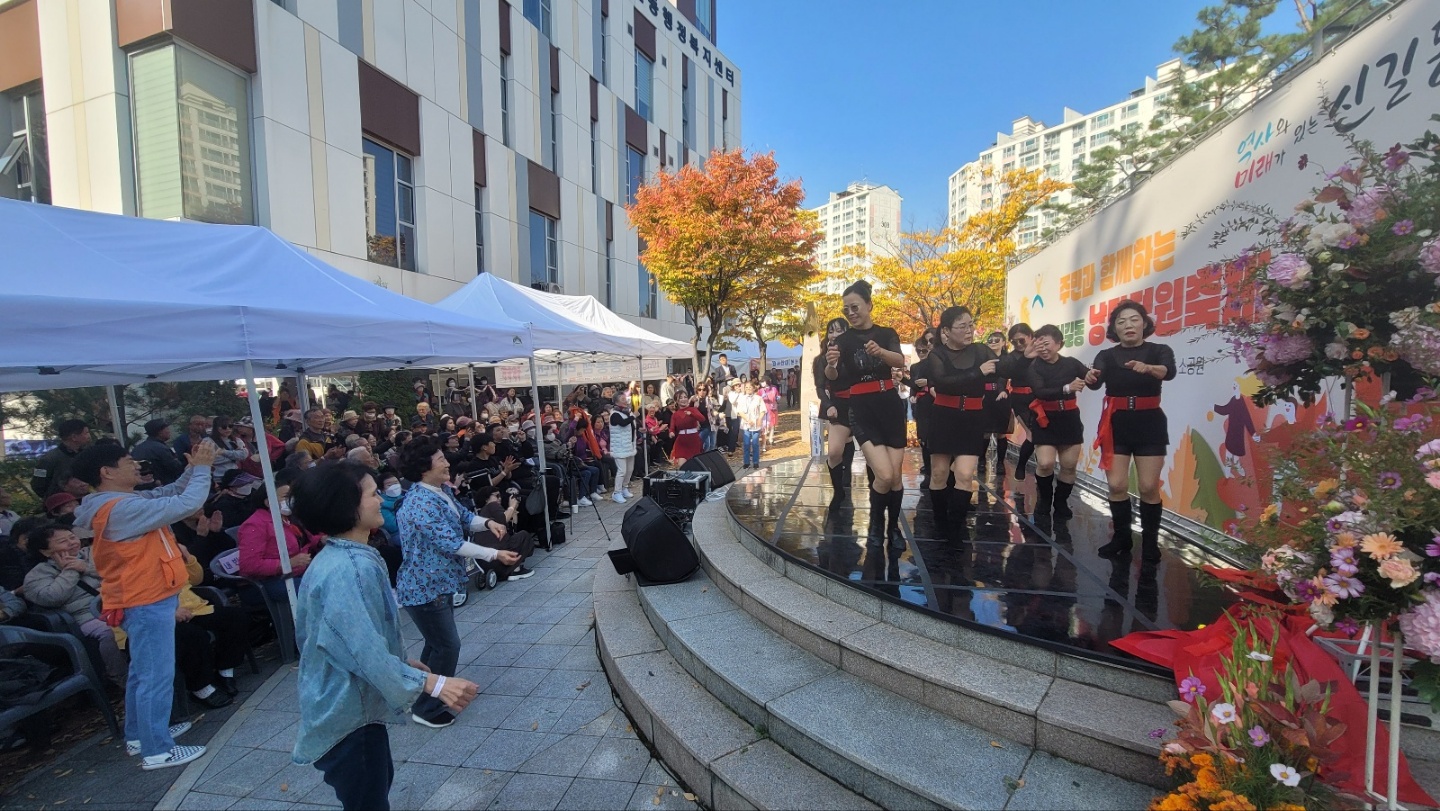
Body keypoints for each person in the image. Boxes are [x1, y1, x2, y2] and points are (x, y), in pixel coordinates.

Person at [289, 462, 480, 810]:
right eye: (372, 493)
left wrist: (401, 663)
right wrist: (434, 684)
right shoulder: (350, 568)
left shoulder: (339, 558)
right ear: (346, 506)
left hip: (351, 710)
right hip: (348, 717)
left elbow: (343, 637)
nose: (381, 500)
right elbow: (360, 650)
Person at [71, 440, 217, 770]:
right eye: (127, 461)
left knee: (141, 673)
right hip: (145, 600)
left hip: (144, 597)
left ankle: (139, 735)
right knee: (155, 676)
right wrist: (205, 468)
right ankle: (157, 750)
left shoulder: (120, 501)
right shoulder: (120, 510)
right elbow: (186, 503)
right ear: (106, 472)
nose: (136, 464)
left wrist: (193, 468)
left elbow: (169, 494)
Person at [395, 439, 520, 729]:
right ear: (425, 468)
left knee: (437, 644)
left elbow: (463, 517)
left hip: (439, 584)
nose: (447, 463)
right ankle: (427, 707)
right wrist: (495, 554)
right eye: (440, 459)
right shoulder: (419, 503)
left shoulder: (438, 492)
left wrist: (487, 523)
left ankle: (420, 692)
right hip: (425, 588)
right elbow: (451, 543)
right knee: (447, 646)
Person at [1088, 301, 1176, 562]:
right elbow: (1095, 383)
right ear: (1115, 328)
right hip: (1116, 425)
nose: (1128, 325)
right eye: (1121, 321)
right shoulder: (1106, 355)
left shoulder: (1160, 350)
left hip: (1150, 423)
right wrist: (1091, 378)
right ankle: (1121, 538)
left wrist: (1149, 368)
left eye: (1134, 319)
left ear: (1145, 323)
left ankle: (1150, 542)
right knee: (1117, 484)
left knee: (1149, 486)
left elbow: (1168, 372)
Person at [824, 280, 908, 542]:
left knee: (894, 477)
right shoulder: (843, 340)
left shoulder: (886, 333)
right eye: (846, 308)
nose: (850, 312)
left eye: (855, 307)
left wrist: (881, 352)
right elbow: (832, 376)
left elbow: (900, 361)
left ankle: (892, 528)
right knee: (883, 473)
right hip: (861, 409)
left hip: (890, 406)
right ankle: (874, 525)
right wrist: (831, 364)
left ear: (869, 305)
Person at [914, 306, 997, 532]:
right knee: (939, 473)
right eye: (963, 326)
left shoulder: (981, 351)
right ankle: (940, 522)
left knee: (964, 474)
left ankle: (955, 527)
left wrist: (1024, 358)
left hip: (972, 418)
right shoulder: (937, 355)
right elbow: (943, 382)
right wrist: (978, 372)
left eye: (971, 325)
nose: (969, 330)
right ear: (947, 331)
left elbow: (1003, 368)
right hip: (943, 417)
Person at [22, 523, 128, 685]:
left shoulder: (93, 553)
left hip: (120, 601)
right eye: (62, 541)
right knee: (109, 633)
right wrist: (70, 570)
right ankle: (122, 677)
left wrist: (86, 567)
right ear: (45, 551)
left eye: (72, 537)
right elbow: (53, 597)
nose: (72, 542)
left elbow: (121, 573)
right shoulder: (37, 575)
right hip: (86, 616)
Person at [1022, 324, 1096, 521]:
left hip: (1070, 419)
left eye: (1047, 344)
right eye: (1039, 344)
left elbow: (1092, 380)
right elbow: (1040, 392)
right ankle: (1044, 500)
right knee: (1045, 463)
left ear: (1059, 344)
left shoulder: (1071, 363)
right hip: (1045, 419)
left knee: (1069, 465)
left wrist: (1092, 376)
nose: (1043, 349)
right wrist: (1067, 388)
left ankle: (1061, 502)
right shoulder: (1034, 367)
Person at [236, 468, 322, 604]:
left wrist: (322, 541)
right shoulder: (255, 525)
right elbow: (248, 565)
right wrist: (287, 563)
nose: (291, 500)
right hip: (269, 582)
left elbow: (309, 539)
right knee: (320, 591)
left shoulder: (290, 518)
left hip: (296, 573)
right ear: (268, 502)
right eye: (285, 497)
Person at [814, 317, 859, 502]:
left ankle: (847, 471)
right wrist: (829, 405)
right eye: (830, 331)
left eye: (838, 330)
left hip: (860, 403)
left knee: (857, 443)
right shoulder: (821, 360)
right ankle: (838, 490)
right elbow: (819, 386)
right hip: (837, 404)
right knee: (834, 452)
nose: (834, 335)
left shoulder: (855, 354)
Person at [996, 324, 1038, 484]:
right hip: (1020, 399)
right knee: (1032, 434)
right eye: (1014, 342)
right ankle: (1021, 465)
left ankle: (1041, 471)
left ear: (1030, 336)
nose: (1019, 345)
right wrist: (1002, 390)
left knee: (1042, 436)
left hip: (1040, 397)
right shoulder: (1011, 358)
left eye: (1022, 340)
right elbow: (1003, 374)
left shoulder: (1041, 353)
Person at [978, 330, 1013, 491]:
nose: (992, 342)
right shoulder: (983, 359)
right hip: (985, 396)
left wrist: (1003, 390)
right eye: (990, 340)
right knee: (984, 431)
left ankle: (1000, 463)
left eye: (996, 339)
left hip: (1002, 396)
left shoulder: (1007, 360)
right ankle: (981, 460)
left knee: (1001, 432)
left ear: (1003, 342)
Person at [31, 419, 92, 499]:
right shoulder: (48, 459)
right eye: (86, 433)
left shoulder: (86, 455)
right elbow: (38, 485)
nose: (89, 436)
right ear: (74, 437)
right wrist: (56, 500)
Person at [908, 328, 938, 489]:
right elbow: (914, 384)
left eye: (931, 342)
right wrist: (907, 383)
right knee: (925, 439)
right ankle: (929, 472)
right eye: (925, 343)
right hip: (923, 404)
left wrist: (929, 383)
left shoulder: (943, 360)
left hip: (941, 404)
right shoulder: (917, 366)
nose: (923, 350)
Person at [132, 420, 185, 486]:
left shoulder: (137, 448)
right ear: (160, 432)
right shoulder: (161, 448)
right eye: (167, 429)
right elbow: (176, 468)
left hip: (141, 489)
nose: (169, 431)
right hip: (163, 488)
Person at [608, 393, 639, 503]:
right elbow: (623, 423)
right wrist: (633, 416)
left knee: (630, 469)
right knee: (622, 470)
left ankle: (625, 487)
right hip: (619, 446)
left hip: (629, 445)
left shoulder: (627, 412)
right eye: (622, 399)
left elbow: (632, 427)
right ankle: (617, 492)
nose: (625, 401)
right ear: (616, 402)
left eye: (625, 399)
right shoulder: (615, 414)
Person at [667, 392, 706, 468]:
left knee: (695, 464)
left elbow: (702, 419)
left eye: (685, 397)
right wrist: (671, 432)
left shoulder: (692, 409)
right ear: (677, 401)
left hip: (693, 440)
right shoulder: (675, 415)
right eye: (681, 398)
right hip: (682, 441)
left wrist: (691, 414)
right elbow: (672, 427)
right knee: (682, 465)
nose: (683, 399)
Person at [737, 381, 766, 469]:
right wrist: (747, 419)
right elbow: (740, 411)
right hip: (746, 424)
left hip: (756, 424)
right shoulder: (742, 398)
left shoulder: (758, 398)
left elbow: (763, 410)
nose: (748, 389)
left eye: (750, 387)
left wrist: (760, 419)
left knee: (755, 443)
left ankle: (756, 462)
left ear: (753, 388)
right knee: (746, 444)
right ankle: (746, 462)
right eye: (746, 388)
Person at [758, 375, 779, 450]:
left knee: (772, 424)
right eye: (761, 382)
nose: (762, 384)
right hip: (764, 409)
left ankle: (771, 438)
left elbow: (777, 396)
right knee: (764, 425)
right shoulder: (760, 391)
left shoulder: (773, 389)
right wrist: (761, 397)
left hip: (772, 408)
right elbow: (758, 400)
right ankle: (764, 441)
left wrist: (777, 399)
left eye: (763, 382)